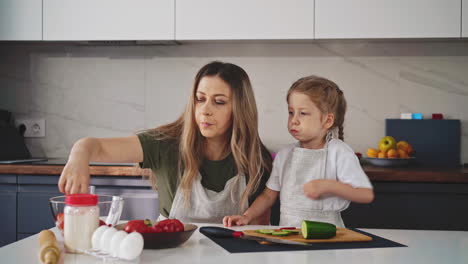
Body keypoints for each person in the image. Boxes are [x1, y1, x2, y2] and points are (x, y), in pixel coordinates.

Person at [58, 61, 275, 224]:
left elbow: (260, 229)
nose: (205, 110)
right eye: (200, 99)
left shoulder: (257, 159)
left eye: (219, 102)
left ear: (239, 109)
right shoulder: (165, 144)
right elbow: (96, 146)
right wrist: (79, 155)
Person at [223, 75, 374, 228]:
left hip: (329, 238)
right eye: (291, 112)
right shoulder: (285, 154)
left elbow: (365, 194)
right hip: (289, 238)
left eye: (303, 113)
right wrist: (246, 217)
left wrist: (329, 186)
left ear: (327, 120)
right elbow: (269, 195)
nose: (294, 120)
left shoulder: (339, 152)